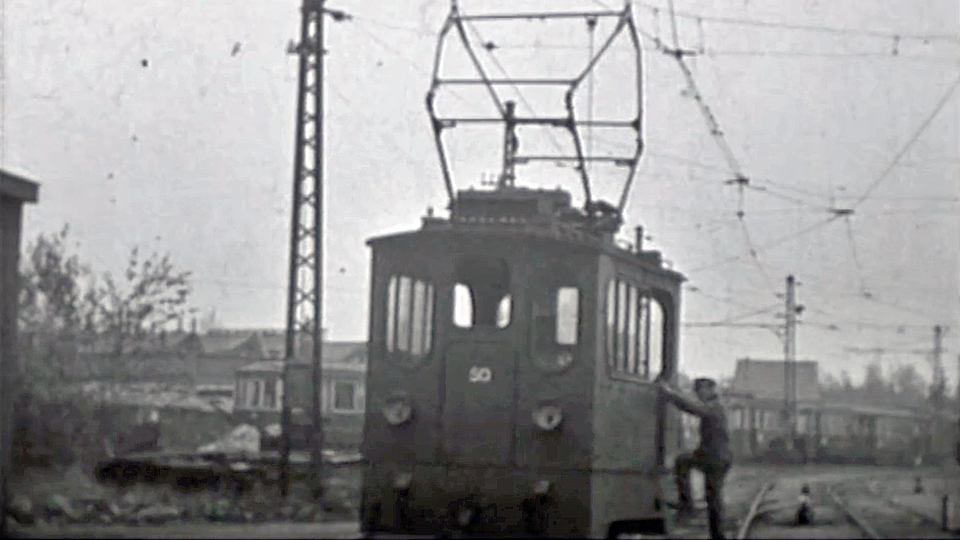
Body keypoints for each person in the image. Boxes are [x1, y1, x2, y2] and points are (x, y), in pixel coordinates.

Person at [657, 377, 732, 540]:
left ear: (712, 389)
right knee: (684, 465)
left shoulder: (716, 406)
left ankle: (690, 509)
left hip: (716, 458)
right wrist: (673, 395)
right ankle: (688, 506)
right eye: (697, 391)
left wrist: (671, 394)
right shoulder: (713, 405)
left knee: (713, 496)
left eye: (701, 390)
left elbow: (694, 408)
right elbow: (691, 406)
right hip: (710, 455)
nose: (699, 394)